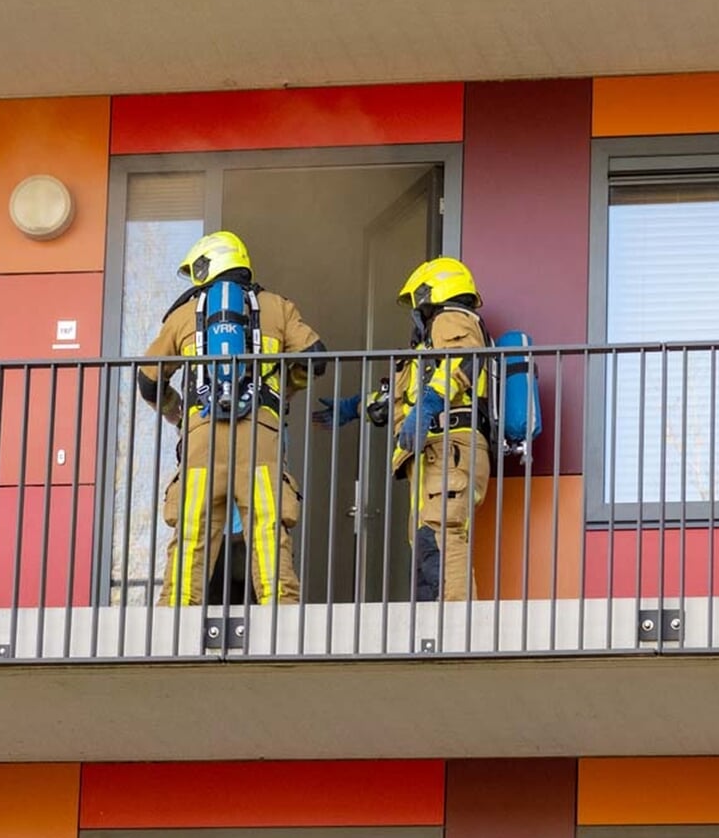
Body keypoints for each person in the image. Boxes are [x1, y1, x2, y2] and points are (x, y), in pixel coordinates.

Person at [137, 231, 327, 608]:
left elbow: (148, 380)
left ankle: (176, 618)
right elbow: (315, 358)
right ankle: (281, 613)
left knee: (192, 533)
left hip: (202, 440)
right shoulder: (277, 307)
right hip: (261, 438)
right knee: (267, 530)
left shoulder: (183, 315)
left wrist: (178, 413)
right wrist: (281, 394)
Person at [315, 256, 491, 602]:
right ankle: (432, 621)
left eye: (419, 303)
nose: (417, 313)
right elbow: (398, 398)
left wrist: (429, 404)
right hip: (435, 453)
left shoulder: (451, 318)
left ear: (433, 293)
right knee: (426, 542)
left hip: (450, 447)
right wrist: (355, 407)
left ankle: (455, 622)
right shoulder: (428, 347)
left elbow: (463, 358)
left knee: (441, 535)